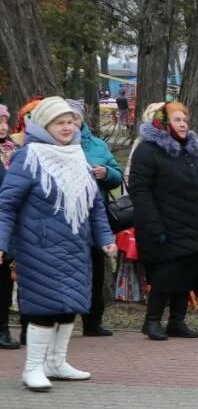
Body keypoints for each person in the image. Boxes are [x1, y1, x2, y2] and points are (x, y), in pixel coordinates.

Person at [0, 97, 117, 391]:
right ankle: (33, 368)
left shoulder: (78, 155)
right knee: (44, 309)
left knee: (69, 307)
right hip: (39, 247)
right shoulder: (28, 157)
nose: (67, 127)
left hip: (76, 246)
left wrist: (105, 238)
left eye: (70, 122)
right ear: (44, 126)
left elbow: (94, 206)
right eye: (59, 123)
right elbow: (6, 205)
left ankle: (57, 363)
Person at [129, 102, 198, 341]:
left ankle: (177, 320)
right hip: (163, 225)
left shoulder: (190, 151)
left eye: (185, 119)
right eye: (177, 120)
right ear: (162, 122)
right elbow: (140, 191)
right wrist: (154, 225)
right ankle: (152, 320)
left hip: (191, 225)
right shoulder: (148, 151)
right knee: (166, 274)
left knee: (187, 274)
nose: (183, 124)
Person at [68, 100, 124, 337]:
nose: (70, 124)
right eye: (65, 120)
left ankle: (93, 322)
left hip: (94, 218)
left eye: (74, 118)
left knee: (96, 271)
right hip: (65, 220)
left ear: (83, 119)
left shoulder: (98, 145)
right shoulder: (52, 146)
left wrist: (106, 173)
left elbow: (117, 176)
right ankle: (63, 320)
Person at [0, 106, 17, 351]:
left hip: (8, 222)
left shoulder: (14, 149)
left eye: (5, 120)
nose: (3, 126)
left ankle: (3, 327)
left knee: (4, 278)